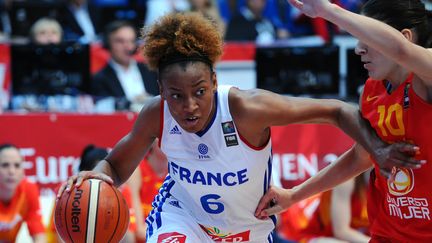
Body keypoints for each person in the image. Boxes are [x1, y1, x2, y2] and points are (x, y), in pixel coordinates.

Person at [57, 12, 418, 243]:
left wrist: (378, 148)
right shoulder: (156, 113)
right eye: (176, 96)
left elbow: (339, 111)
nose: (189, 105)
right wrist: (94, 176)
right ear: (161, 91)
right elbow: (116, 166)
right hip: (183, 218)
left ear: (214, 80)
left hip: (249, 228)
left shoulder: (247, 107)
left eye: (199, 91)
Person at [255, 0, 432, 241]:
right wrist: (293, 195)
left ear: (405, 37)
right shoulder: (372, 92)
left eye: (366, 39)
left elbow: (401, 51)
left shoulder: (426, 76)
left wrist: (327, 11)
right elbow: (359, 158)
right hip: (388, 233)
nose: (358, 49)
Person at [46, 144, 137, 243]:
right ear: (84, 173)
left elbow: (129, 239)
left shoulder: (121, 192)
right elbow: (61, 237)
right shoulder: (68, 190)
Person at [281, 173, 370, 242]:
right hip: (303, 228)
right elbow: (341, 231)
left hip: (331, 233)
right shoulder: (348, 181)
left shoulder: (381, 182)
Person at [91, 20, 158, 105]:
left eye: (131, 41)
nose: (128, 48)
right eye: (120, 41)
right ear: (107, 43)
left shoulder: (151, 71)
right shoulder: (100, 79)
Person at [0, 144, 46, 243]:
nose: (12, 171)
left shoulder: (29, 189)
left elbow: (39, 234)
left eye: (17, 165)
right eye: (5, 165)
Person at [128, 139, 168, 242]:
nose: (167, 138)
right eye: (161, 134)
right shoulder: (137, 171)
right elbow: (139, 231)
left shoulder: (178, 174)